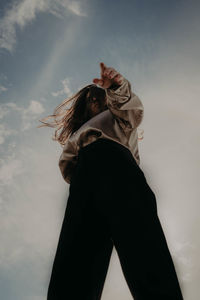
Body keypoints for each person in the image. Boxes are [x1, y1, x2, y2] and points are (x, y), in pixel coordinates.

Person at [38, 62, 184, 300]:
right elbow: (68, 168)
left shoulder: (119, 119)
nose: (95, 103)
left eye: (98, 99)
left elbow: (126, 105)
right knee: (75, 259)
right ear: (85, 106)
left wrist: (116, 86)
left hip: (118, 168)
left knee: (143, 246)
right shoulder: (78, 135)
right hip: (84, 180)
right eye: (90, 101)